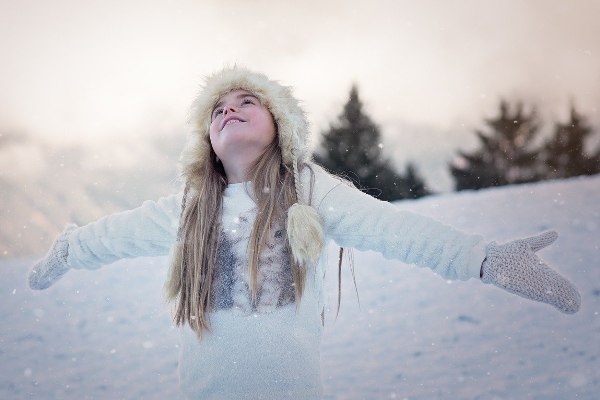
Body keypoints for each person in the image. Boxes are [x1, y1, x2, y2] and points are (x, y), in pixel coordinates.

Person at [28, 67, 581, 399]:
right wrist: (70, 247)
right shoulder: (190, 210)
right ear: (206, 140)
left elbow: (391, 229)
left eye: (248, 102)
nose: (231, 110)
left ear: (280, 126)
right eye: (218, 109)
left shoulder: (310, 191)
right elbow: (116, 234)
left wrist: (483, 258)